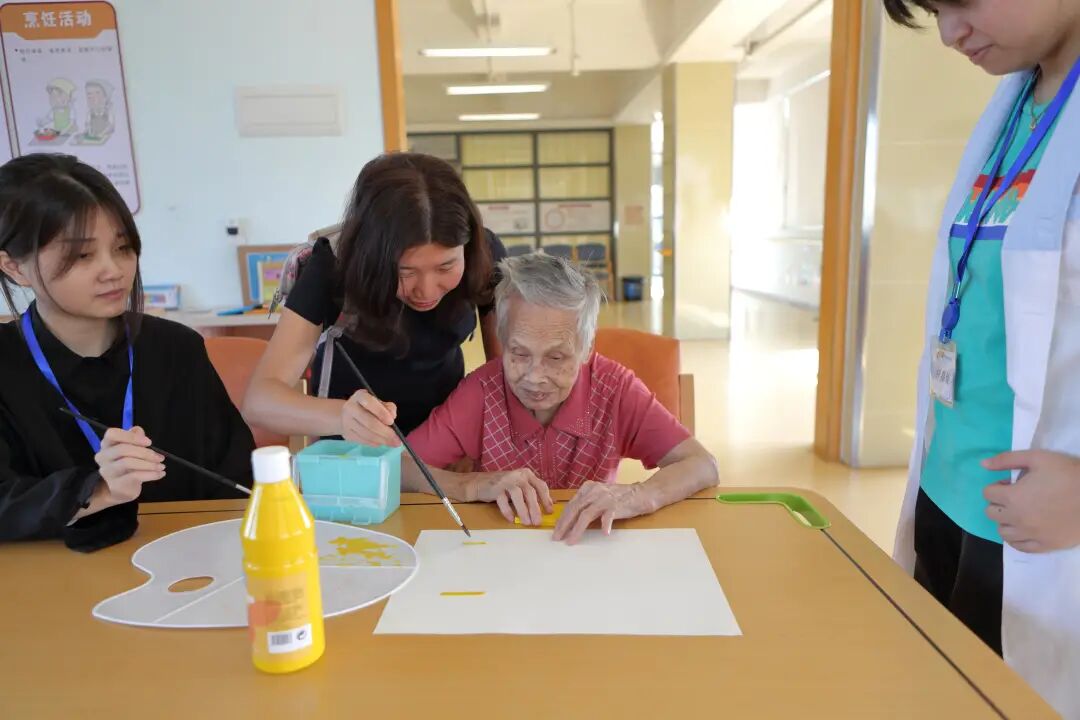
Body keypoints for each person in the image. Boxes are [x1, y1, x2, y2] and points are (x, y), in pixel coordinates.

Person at [884, 1, 1080, 716]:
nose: (949, 33)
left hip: (1045, 531)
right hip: (950, 497)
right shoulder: (1017, 108)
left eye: (962, 0)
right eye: (935, 11)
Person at [359, 253, 718, 545]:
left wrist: (636, 495)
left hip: (589, 550)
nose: (534, 377)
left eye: (556, 357)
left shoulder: (616, 389)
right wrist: (474, 485)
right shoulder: (481, 392)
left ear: (586, 348)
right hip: (504, 553)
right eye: (518, 353)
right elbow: (397, 467)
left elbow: (702, 464)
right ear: (502, 339)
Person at [0, 154, 254, 551]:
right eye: (82, 256)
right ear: (15, 267)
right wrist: (96, 490)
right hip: (49, 574)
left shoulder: (176, 349)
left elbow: (237, 479)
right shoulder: (7, 365)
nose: (113, 270)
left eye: (122, 248)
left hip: (188, 561)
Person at [242, 153, 506, 443]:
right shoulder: (334, 266)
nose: (427, 291)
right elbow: (259, 402)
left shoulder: (483, 254)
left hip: (443, 439)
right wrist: (342, 416)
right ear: (371, 253)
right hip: (353, 448)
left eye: (446, 267)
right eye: (405, 271)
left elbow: (505, 371)